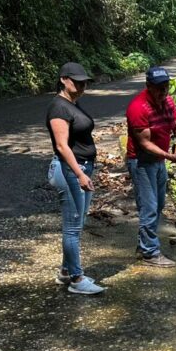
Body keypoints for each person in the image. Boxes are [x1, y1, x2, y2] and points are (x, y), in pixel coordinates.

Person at [47, 62, 104, 295]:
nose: (81, 86)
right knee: (72, 228)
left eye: (84, 83)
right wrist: (79, 174)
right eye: (77, 82)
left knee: (77, 225)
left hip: (82, 168)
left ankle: (65, 271)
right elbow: (61, 146)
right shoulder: (58, 108)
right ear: (63, 79)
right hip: (70, 170)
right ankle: (77, 280)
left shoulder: (73, 103)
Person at [125, 65, 176, 267]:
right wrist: (169, 156)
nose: (164, 91)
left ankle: (144, 245)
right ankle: (150, 253)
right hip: (142, 161)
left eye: (166, 86)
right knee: (149, 207)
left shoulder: (168, 101)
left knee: (159, 204)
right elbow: (144, 143)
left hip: (159, 160)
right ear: (148, 86)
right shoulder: (138, 108)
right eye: (159, 87)